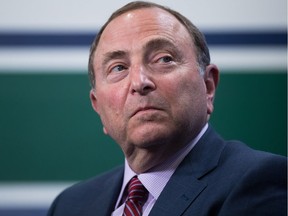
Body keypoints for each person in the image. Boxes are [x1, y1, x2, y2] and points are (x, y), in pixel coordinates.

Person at [47, 1, 287, 215]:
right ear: (98, 107)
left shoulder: (260, 181)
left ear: (208, 86)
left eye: (164, 59)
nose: (140, 82)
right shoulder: (70, 205)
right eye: (118, 68)